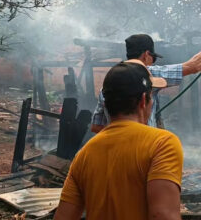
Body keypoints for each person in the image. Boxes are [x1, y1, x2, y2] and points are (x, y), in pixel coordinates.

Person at [54, 62, 183, 220]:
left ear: (106, 104)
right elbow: (163, 215)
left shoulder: (84, 154)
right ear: (144, 100)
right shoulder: (163, 144)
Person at [91, 29, 201, 133]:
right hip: (145, 149)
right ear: (147, 54)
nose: (153, 63)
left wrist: (120, 134)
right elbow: (194, 65)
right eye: (153, 58)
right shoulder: (149, 74)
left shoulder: (109, 82)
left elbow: (96, 126)